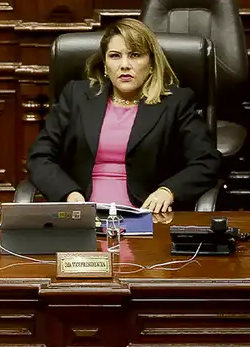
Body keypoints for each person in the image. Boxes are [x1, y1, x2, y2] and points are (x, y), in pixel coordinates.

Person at [27, 18, 222, 213]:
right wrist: (69, 194)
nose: (125, 65)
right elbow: (40, 156)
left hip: (147, 216)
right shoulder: (76, 96)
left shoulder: (176, 103)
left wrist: (167, 191)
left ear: (152, 62)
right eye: (115, 56)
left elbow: (206, 161)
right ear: (104, 64)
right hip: (83, 215)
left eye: (135, 55)